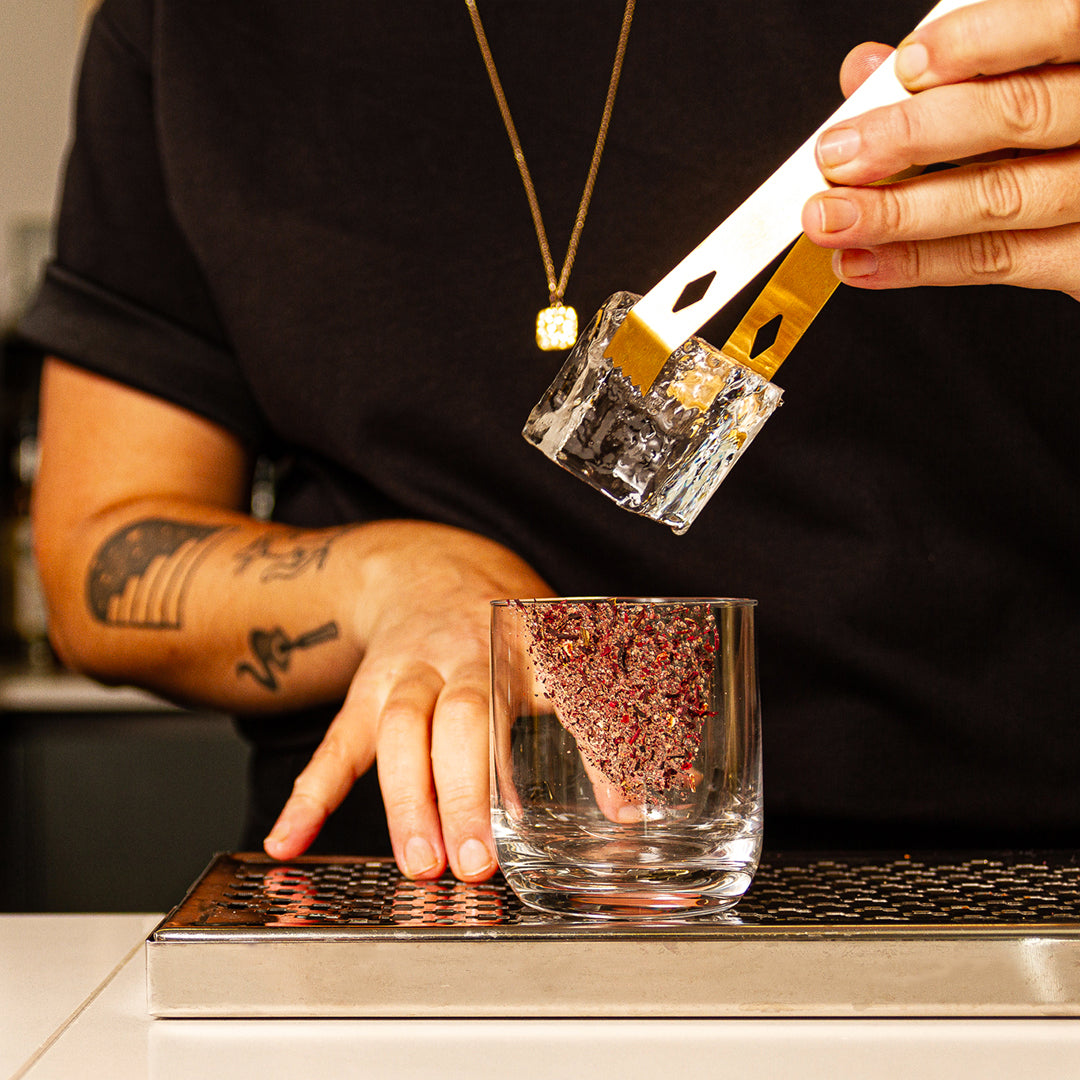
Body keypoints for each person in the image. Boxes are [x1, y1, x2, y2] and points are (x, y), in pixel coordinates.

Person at [18, 0, 1080, 883]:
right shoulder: (197, 27)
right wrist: (395, 584)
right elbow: (96, 555)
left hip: (1001, 879)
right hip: (426, 889)